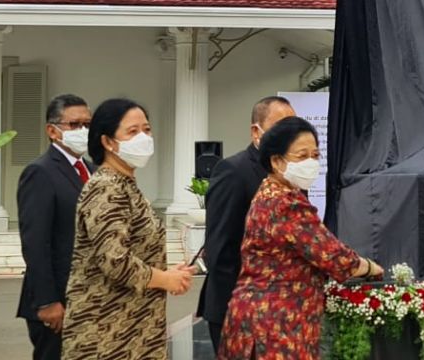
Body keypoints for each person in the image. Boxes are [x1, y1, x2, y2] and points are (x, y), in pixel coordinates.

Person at [218, 116, 383, 360]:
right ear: (276, 161)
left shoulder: (268, 192)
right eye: (302, 156)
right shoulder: (286, 203)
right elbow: (332, 255)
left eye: (315, 155)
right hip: (276, 327)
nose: (311, 163)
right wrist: (370, 267)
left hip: (256, 321)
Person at [62, 98, 196, 359]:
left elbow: (134, 250)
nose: (144, 138)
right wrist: (165, 279)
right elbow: (114, 259)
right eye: (132, 132)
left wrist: (166, 273)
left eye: (146, 130)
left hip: (134, 328)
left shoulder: (125, 185)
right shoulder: (106, 188)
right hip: (106, 333)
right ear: (108, 142)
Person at [197, 96, 296, 351]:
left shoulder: (290, 175)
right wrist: (241, 307)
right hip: (238, 310)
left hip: (280, 308)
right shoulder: (233, 171)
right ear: (256, 131)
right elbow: (220, 248)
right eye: (282, 126)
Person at [16, 94, 93, 360]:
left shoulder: (91, 169)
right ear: (52, 130)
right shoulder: (40, 172)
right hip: (57, 302)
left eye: (88, 124)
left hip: (89, 298)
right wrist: (48, 301)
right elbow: (36, 242)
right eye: (74, 125)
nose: (83, 131)